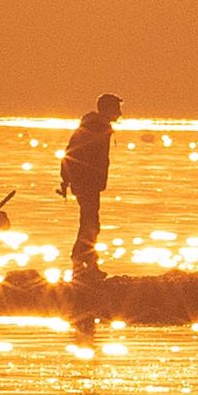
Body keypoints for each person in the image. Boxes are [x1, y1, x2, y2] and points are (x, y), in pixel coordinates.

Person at [59, 93, 122, 280]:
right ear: (108, 109)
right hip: (86, 183)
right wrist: (66, 179)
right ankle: (83, 263)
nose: (120, 114)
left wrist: (66, 179)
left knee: (89, 222)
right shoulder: (94, 128)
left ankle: (84, 263)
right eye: (117, 109)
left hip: (89, 183)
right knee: (90, 223)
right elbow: (71, 153)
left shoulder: (98, 127)